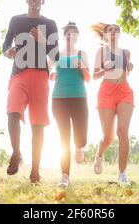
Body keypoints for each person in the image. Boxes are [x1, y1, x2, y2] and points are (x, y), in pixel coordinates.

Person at [2, 0, 59, 184]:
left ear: (43, 1)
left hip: (40, 76)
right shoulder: (16, 20)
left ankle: (35, 171)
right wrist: (7, 51)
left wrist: (43, 41)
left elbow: (57, 56)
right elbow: (5, 43)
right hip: (18, 73)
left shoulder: (50, 24)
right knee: (12, 113)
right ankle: (16, 153)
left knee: (38, 124)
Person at [91, 23, 134, 187]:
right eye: (110, 30)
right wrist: (104, 70)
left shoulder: (126, 53)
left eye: (117, 29)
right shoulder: (101, 52)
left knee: (122, 130)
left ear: (120, 34)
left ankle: (122, 173)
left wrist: (129, 68)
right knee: (108, 137)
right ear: (106, 35)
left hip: (124, 91)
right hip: (106, 92)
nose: (114, 32)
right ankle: (99, 154)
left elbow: (125, 72)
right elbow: (94, 75)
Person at [49, 22, 90, 188]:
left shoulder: (82, 53)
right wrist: (50, 75)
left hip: (79, 97)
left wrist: (82, 68)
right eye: (68, 34)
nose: (70, 37)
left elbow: (88, 78)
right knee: (64, 137)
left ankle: (80, 147)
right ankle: (65, 175)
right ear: (63, 36)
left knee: (81, 137)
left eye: (74, 34)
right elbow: (46, 71)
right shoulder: (56, 54)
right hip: (59, 99)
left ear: (77, 37)